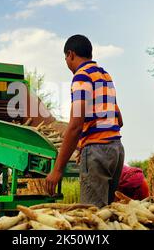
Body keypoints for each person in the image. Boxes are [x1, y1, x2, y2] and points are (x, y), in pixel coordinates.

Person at [45, 34, 124, 208]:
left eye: (65, 57)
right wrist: (85, 143)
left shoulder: (81, 77)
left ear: (70, 54)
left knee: (92, 217)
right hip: (116, 150)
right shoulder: (105, 76)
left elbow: (75, 126)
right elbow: (119, 119)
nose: (66, 62)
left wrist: (57, 170)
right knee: (107, 213)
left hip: (97, 154)